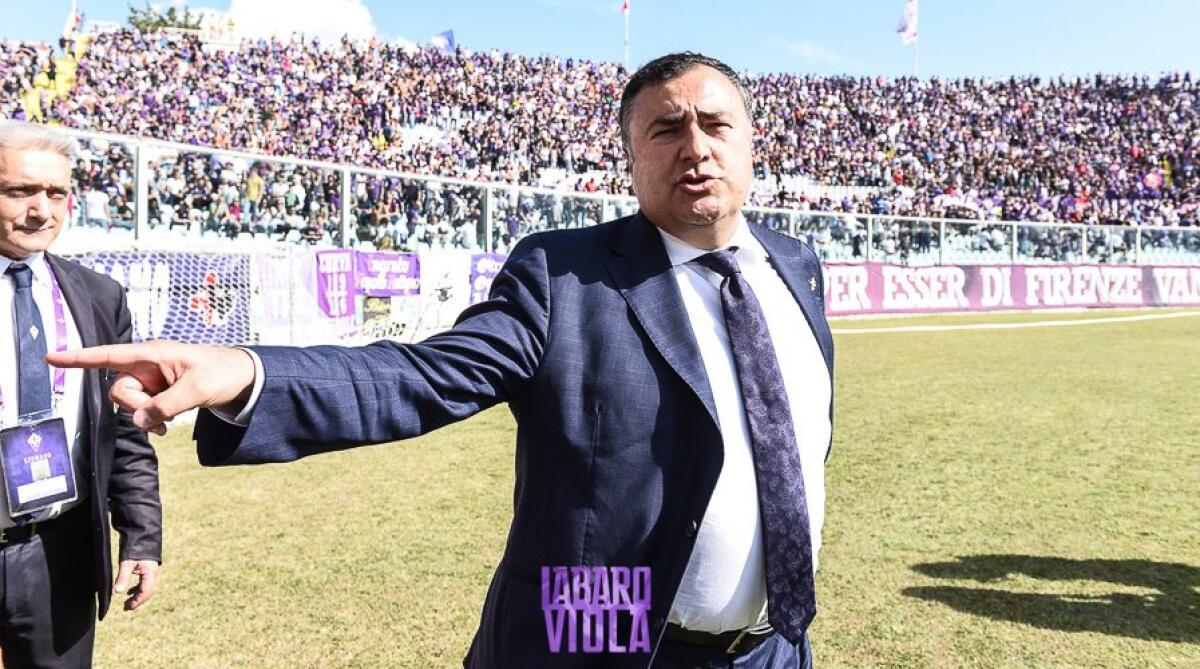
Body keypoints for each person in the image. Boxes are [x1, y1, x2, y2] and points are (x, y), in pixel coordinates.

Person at [52, 53, 833, 668]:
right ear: (630, 158)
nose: (695, 145)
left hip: (772, 644)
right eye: (665, 129)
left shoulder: (796, 266)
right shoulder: (567, 274)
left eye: (715, 123)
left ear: (750, 140)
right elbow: (421, 375)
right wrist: (252, 373)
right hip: (604, 611)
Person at [0, 120, 162, 667]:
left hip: (59, 551)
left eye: (56, 193)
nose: (40, 210)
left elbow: (126, 426)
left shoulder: (99, 296)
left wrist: (141, 535)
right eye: (19, 191)